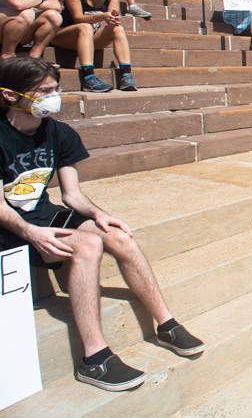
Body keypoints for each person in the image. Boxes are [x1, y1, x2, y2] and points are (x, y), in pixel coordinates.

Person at [0, 58, 204, 390]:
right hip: (11, 228)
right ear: (10, 95)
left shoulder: (58, 131)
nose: (54, 97)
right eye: (43, 91)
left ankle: (166, 323)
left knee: (116, 235)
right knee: (89, 244)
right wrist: (32, 233)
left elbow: (72, 195)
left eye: (56, 88)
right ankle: (94, 360)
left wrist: (98, 214)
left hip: (41, 217)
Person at [52, 0, 137, 92]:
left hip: (89, 36)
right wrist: (102, 16)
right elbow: (78, 18)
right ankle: (89, 78)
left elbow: (112, 16)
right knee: (85, 26)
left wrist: (111, 18)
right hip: (65, 35)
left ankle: (126, 76)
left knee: (118, 29)